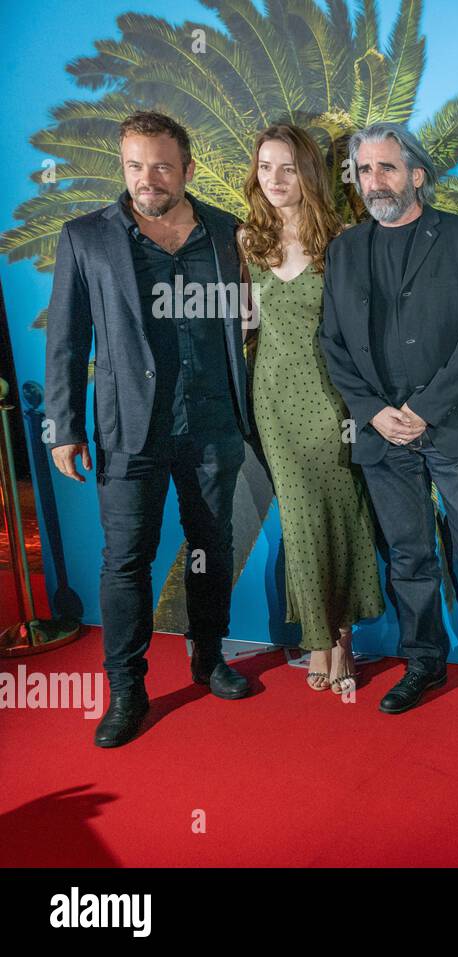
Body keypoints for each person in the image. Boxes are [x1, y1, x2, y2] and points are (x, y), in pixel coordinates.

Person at [45, 111, 253, 747]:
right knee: (124, 562)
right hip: (127, 429)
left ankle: (208, 657)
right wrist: (63, 427)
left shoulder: (226, 232)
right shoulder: (87, 238)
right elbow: (65, 339)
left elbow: (252, 323)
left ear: (187, 169)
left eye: (161, 165)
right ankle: (126, 689)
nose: (147, 178)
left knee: (211, 547)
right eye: (135, 164)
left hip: (213, 422)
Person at [317, 122, 458, 719]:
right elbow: (333, 343)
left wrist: (424, 408)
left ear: (417, 175)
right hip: (383, 435)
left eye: (386, 168)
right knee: (408, 557)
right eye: (364, 171)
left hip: (455, 427)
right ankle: (423, 661)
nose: (374, 181)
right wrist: (375, 412)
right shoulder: (346, 249)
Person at [240, 124, 386, 695]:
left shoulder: (344, 240)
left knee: (342, 515)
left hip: (333, 398)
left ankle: (341, 639)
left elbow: (363, 328)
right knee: (299, 522)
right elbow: (249, 324)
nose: (275, 179)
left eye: (288, 168)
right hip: (274, 397)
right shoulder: (249, 240)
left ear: (309, 173)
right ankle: (319, 643)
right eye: (266, 167)